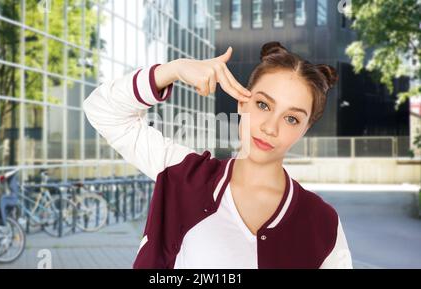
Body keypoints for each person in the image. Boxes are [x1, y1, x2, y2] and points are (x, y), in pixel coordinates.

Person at [83, 41, 353, 269]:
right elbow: (102, 110)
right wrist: (173, 70)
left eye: (292, 119)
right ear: (241, 101)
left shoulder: (322, 223)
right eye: (263, 105)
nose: (270, 127)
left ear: (305, 129)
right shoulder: (183, 174)